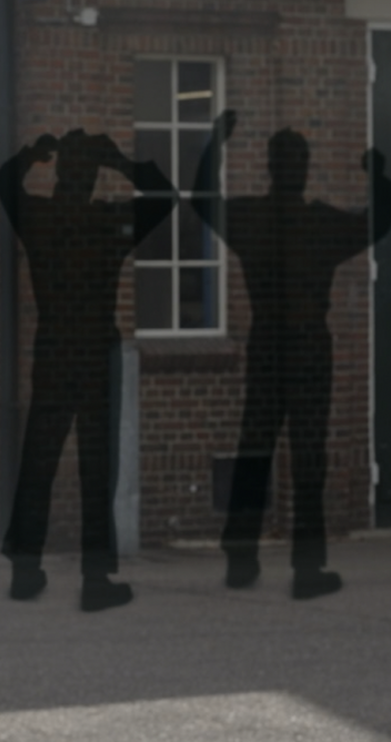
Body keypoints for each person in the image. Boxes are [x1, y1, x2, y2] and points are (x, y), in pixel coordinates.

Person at [193, 111, 391, 599]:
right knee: (308, 457)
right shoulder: (319, 223)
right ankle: (306, 568)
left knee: (254, 449)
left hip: (267, 345)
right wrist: (377, 175)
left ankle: (241, 555)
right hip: (307, 349)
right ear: (302, 169)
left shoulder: (249, 218)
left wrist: (214, 144)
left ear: (268, 167)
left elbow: (203, 200)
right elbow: (378, 221)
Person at [0, 130, 176, 612]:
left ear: (59, 172)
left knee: (39, 461)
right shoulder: (107, 220)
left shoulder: (40, 216)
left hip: (54, 350)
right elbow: (164, 195)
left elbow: (3, 181)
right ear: (94, 174)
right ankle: (96, 577)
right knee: (98, 468)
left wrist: (32, 154)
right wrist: (120, 161)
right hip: (96, 353)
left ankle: (25, 567)